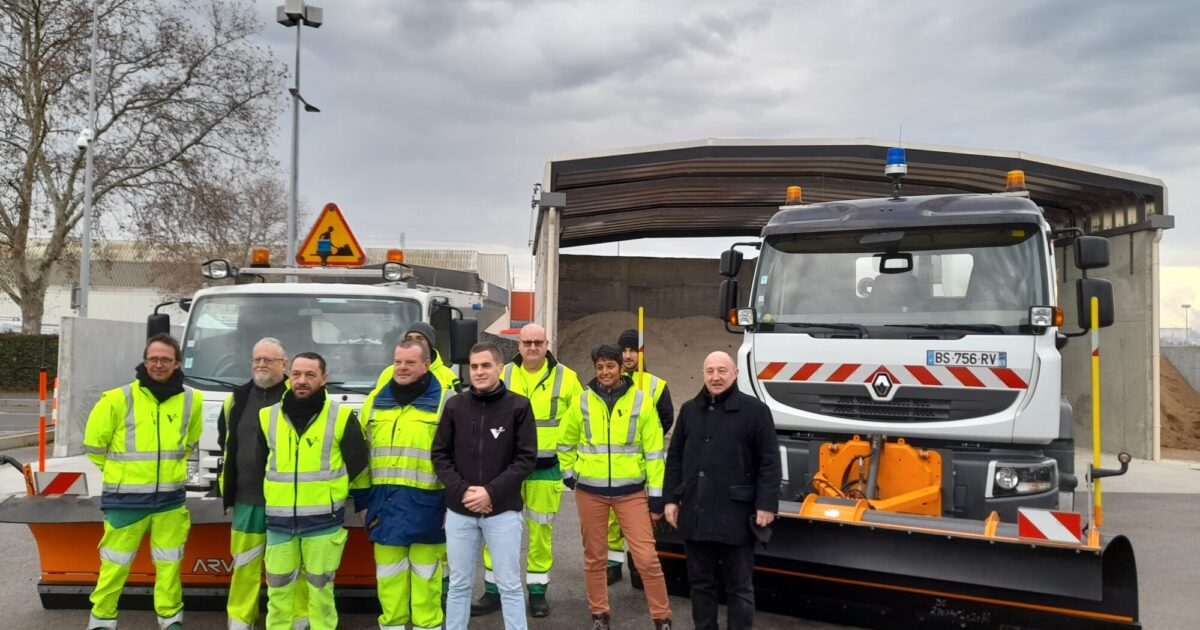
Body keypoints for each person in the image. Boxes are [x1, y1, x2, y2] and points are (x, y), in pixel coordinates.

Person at [82, 332, 203, 630]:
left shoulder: (193, 399)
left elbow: (189, 442)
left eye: (165, 359)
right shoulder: (116, 399)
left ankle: (171, 620)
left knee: (170, 564)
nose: (159, 364)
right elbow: (94, 446)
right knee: (114, 565)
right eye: (153, 359)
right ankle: (102, 621)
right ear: (144, 361)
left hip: (170, 501)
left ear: (177, 363)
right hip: (125, 500)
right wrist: (122, 476)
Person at [664, 351, 782, 630]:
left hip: (736, 515)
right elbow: (675, 458)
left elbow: (769, 461)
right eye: (710, 371)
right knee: (700, 584)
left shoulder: (755, 411)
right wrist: (671, 499)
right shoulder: (689, 410)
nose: (715, 377)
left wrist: (766, 504)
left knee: (739, 587)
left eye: (722, 371)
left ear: (735, 374)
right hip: (696, 513)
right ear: (703, 374)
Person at [558, 344, 672, 630]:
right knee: (594, 558)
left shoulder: (642, 402)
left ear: (622, 368)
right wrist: (570, 476)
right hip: (590, 493)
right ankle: (599, 615)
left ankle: (662, 617)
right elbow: (564, 442)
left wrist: (656, 498)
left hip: (631, 494)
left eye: (610, 366)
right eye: (600, 367)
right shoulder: (582, 402)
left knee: (647, 558)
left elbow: (654, 453)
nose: (605, 372)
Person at [474, 323, 582, 618]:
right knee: (496, 530)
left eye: (538, 342)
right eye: (527, 343)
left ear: (547, 344)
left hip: (546, 468)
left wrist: (571, 463)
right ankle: (493, 592)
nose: (533, 347)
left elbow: (581, 421)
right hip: (504, 469)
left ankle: (537, 593)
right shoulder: (504, 374)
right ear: (518, 346)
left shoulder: (567, 377)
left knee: (540, 533)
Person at [259, 352, 369, 630]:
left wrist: (333, 494)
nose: (302, 381)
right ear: (288, 377)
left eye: (310, 375)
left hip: (323, 523)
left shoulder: (341, 417)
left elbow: (358, 463)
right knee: (278, 594)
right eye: (296, 374)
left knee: (321, 594)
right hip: (279, 523)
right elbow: (258, 463)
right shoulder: (267, 417)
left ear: (324, 378)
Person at [432, 342, 538, 630]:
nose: (479, 372)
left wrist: (490, 492)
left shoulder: (519, 406)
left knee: (509, 584)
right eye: (474, 366)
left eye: (486, 365)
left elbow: (525, 459)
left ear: (500, 368)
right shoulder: (455, 406)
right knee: (459, 583)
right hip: (460, 511)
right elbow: (440, 455)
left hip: (502, 511)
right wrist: (463, 491)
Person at [359, 340, 450, 630]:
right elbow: (361, 456)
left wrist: (452, 505)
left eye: (410, 362)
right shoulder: (375, 401)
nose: (402, 367)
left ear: (426, 364)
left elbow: (459, 459)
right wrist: (362, 503)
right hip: (383, 507)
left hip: (430, 507)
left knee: (427, 585)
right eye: (398, 361)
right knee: (389, 584)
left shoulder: (446, 402)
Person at [217, 338, 307, 630]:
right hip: (247, 500)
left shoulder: (299, 398)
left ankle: (297, 622)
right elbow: (226, 442)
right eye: (257, 359)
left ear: (284, 364)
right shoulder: (236, 400)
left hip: (289, 501)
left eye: (269, 360)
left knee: (292, 567)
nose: (261, 364)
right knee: (244, 565)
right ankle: (240, 621)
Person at [607, 328, 676, 585]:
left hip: (647, 462)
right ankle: (613, 565)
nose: (627, 356)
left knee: (642, 518)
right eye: (623, 350)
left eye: (632, 350)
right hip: (617, 462)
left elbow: (666, 418)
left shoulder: (656, 385)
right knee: (612, 519)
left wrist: (647, 438)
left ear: (642, 353)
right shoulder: (609, 381)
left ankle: (639, 565)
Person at [375, 322, 462, 392]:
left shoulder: (448, 376)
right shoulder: (388, 373)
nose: (414, 342)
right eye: (409, 338)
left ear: (430, 344)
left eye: (419, 338)